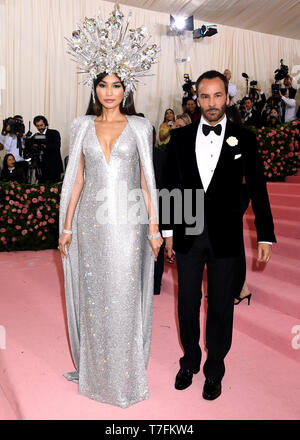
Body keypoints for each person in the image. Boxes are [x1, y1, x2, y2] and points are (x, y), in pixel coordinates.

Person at [58, 4, 162, 408]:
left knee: (123, 294)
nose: (109, 92)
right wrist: (66, 227)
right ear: (94, 88)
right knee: (93, 294)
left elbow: (146, 181)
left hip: (127, 224)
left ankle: (124, 374)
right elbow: (76, 179)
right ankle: (94, 368)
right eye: (102, 84)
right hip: (89, 223)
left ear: (127, 88)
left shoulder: (139, 126)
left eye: (116, 85)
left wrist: (154, 229)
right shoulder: (80, 126)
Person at [162, 70, 276, 400]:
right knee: (186, 303)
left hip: (226, 238)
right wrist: (168, 232)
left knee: (222, 306)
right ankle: (189, 361)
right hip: (187, 235)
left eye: (217, 96)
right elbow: (171, 186)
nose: (212, 103)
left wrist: (265, 235)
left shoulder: (245, 138)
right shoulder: (180, 138)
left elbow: (258, 188)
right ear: (196, 99)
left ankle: (215, 369)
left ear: (227, 97)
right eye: (205, 96)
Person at [31, 115, 63, 183]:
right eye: (37, 126)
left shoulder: (54, 133)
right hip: (41, 168)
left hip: (53, 167)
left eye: (41, 125)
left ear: (45, 124)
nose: (40, 127)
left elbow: (56, 146)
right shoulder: (36, 136)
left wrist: (44, 146)